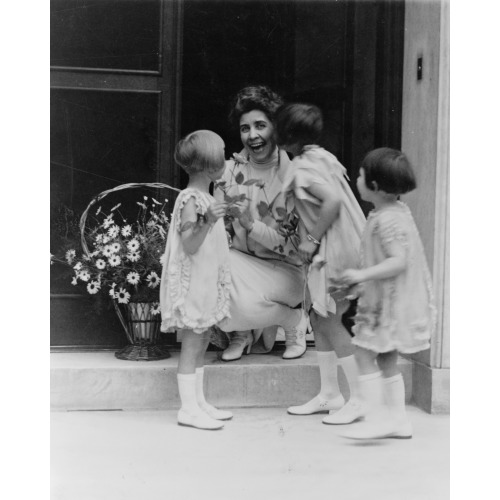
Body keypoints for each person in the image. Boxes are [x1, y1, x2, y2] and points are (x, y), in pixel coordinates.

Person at [276, 103, 366, 424]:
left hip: (333, 251)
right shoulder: (320, 157)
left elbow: (333, 201)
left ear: (286, 137)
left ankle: (360, 400)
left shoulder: (301, 167)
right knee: (320, 316)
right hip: (340, 247)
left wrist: (310, 239)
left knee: (331, 321)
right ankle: (330, 394)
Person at [338, 147, 436, 439]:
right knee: (386, 359)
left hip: (385, 308)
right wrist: (362, 282)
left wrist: (361, 275)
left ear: (375, 186)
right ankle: (398, 420)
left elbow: (398, 261)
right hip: (386, 302)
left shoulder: (387, 219)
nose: (357, 179)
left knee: (364, 355)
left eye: (360, 175)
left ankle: (377, 417)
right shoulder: (392, 211)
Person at [215, 85, 308, 361]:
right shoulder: (230, 171)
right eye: (245, 128)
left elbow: (291, 246)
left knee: (235, 285)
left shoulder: (293, 176)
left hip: (286, 272)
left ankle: (293, 320)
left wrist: (250, 223)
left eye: (260, 125)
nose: (252, 135)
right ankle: (241, 333)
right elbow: (219, 231)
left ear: (276, 128)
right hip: (241, 265)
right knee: (211, 267)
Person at [160, 130, 233, 430]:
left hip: (206, 281)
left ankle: (199, 402)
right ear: (208, 165)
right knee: (192, 343)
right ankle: (187, 409)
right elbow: (190, 243)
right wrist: (209, 220)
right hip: (192, 284)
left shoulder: (206, 196)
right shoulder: (189, 199)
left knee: (202, 339)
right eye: (222, 154)